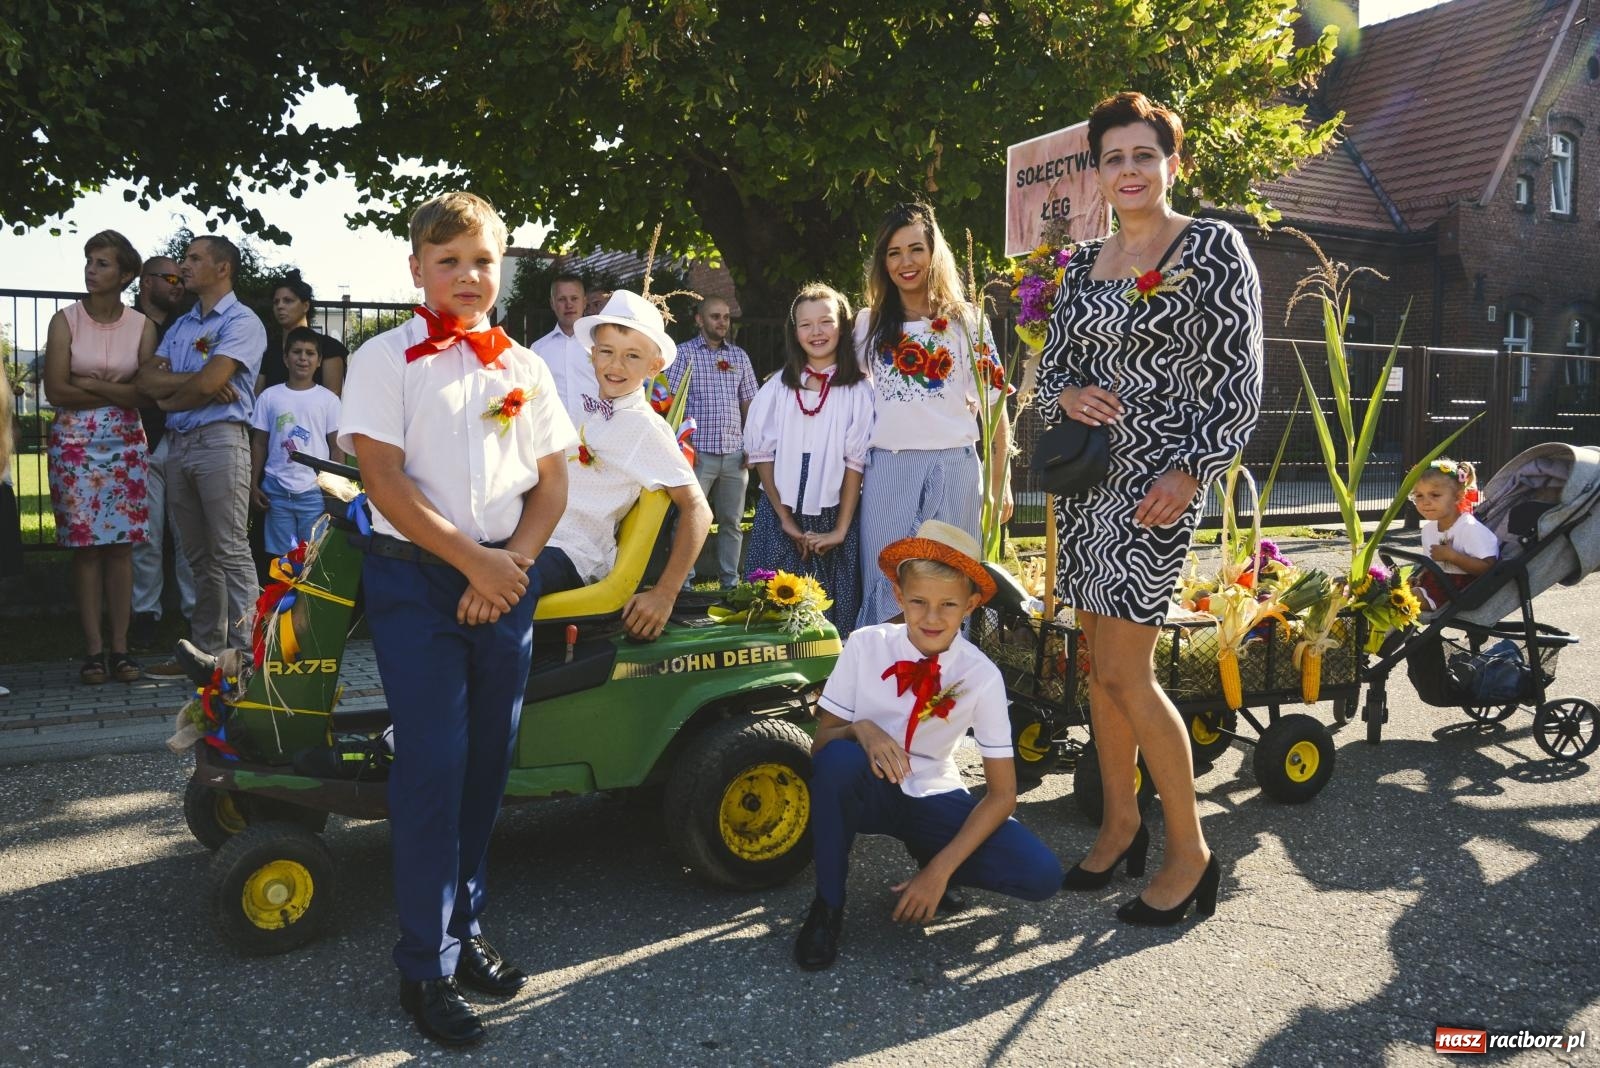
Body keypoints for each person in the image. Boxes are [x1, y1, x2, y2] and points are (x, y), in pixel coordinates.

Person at [338, 191, 576, 1048]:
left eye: (483, 260)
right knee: (434, 768)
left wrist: (507, 565)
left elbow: (551, 485)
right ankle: (422, 967)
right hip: (419, 584)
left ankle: (464, 926)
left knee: (486, 766)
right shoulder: (382, 360)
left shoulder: (527, 366)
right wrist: (472, 563)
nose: (469, 276)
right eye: (449, 262)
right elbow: (385, 484)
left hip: (504, 581)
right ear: (416, 270)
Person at [1033, 92, 1262, 925]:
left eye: (1143, 155)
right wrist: (1074, 391)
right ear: (1098, 171)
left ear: (1174, 163)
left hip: (1159, 490)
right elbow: (1053, 371)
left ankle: (1191, 851)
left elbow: (1241, 378)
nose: (1127, 171)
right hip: (1092, 485)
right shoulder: (1084, 264)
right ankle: (1120, 820)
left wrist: (1193, 470)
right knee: (1098, 668)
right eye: (1113, 158)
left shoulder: (1211, 248)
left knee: (1130, 669)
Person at [794, 519, 1062, 971]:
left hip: (933, 792)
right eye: (918, 601)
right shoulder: (864, 646)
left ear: (971, 606)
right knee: (839, 758)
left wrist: (938, 873)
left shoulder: (981, 676)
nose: (931, 618)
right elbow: (820, 744)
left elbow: (1002, 795)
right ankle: (827, 906)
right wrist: (863, 729)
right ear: (899, 597)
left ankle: (933, 855)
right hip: (869, 790)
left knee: (1041, 875)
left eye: (948, 605)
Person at [853, 202, 1013, 630]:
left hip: (955, 466)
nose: (905, 262)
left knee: (951, 581)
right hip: (889, 465)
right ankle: (887, 684)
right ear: (883, 262)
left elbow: (996, 408)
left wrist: (1002, 484)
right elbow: (839, 392)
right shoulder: (868, 325)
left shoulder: (967, 322)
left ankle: (948, 687)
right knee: (885, 582)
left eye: (915, 249)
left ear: (934, 252)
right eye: (893, 252)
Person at [543, 290, 713, 639]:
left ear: (653, 367)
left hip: (574, 553)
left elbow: (698, 509)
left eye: (632, 356)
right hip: (540, 538)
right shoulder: (586, 410)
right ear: (592, 355)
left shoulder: (645, 426)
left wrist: (665, 593)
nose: (615, 365)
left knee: (499, 587)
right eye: (606, 352)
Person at [135, 235, 268, 656]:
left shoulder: (242, 321)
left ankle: (248, 656)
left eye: (194, 259)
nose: (184, 266)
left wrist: (189, 388)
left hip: (220, 443)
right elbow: (148, 384)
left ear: (222, 268)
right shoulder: (182, 324)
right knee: (198, 557)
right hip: (180, 445)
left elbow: (211, 382)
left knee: (230, 550)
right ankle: (209, 655)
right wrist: (195, 387)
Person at [42, 230, 157, 684]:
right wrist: (117, 393)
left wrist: (86, 383)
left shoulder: (143, 326)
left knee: (121, 548)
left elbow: (144, 394)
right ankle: (94, 651)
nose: (92, 269)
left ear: (126, 274)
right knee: (86, 550)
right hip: (74, 444)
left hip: (127, 442)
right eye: (89, 260)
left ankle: (122, 650)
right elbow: (55, 390)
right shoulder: (63, 320)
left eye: (103, 263)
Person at [744, 283, 874, 635]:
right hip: (782, 508)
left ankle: (829, 682)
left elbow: (854, 464)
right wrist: (784, 517)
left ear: (843, 327)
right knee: (772, 602)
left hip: (834, 510)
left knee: (830, 612)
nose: (816, 332)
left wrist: (840, 530)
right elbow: (762, 456)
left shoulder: (859, 392)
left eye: (826, 322)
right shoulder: (777, 388)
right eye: (806, 324)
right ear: (794, 331)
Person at [130, 256, 196, 658]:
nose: (178, 285)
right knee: (147, 536)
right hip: (139, 439)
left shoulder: (187, 324)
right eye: (169, 278)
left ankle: (195, 614)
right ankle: (145, 615)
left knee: (190, 534)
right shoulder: (127, 324)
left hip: (183, 435)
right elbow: (136, 382)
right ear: (144, 282)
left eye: (180, 278)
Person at [668, 296, 757, 589]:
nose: (722, 322)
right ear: (699, 320)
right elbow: (669, 401)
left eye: (726, 317)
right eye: (715, 316)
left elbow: (750, 404)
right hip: (698, 454)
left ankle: (730, 584)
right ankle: (684, 583)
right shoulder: (683, 355)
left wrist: (752, 444)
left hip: (734, 453)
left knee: (732, 523)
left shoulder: (740, 356)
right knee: (688, 520)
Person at [249, 327, 342, 556]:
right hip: (276, 490)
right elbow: (259, 443)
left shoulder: (329, 400)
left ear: (319, 361)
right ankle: (282, 594)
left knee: (313, 557)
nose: (303, 358)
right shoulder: (269, 397)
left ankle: (305, 594)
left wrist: (335, 489)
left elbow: (336, 447)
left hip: (314, 491)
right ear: (285, 358)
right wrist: (252, 484)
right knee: (282, 560)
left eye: (310, 353)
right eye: (297, 352)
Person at [1412, 459, 1497, 609]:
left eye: (1435, 495)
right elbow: (1432, 564)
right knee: (1385, 593)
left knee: (1399, 603)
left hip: (1459, 591)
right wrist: (1418, 577)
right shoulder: (1428, 529)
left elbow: (1489, 569)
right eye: (1419, 496)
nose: (1425, 502)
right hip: (1435, 584)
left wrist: (1453, 557)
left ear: (1458, 497)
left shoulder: (1470, 528)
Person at [257, 269, 349, 396]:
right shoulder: (269, 349)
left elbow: (332, 399)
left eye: (288, 301)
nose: (280, 306)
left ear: (305, 306)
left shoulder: (329, 347)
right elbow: (258, 399)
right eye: (276, 302)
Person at [530, 272, 595, 415]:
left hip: (596, 432)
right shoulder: (538, 350)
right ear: (552, 304)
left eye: (574, 298)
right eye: (561, 299)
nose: (569, 304)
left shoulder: (600, 346)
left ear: (584, 302)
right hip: (555, 434)